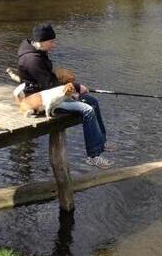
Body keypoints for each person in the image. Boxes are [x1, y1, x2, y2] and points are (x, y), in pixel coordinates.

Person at [17, 23, 113, 169]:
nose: (54, 45)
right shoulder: (32, 60)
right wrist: (76, 87)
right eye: (51, 42)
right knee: (87, 110)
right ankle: (93, 156)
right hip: (42, 102)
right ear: (41, 41)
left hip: (53, 94)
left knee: (92, 101)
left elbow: (51, 82)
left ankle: (101, 142)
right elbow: (50, 86)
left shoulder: (38, 51)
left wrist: (72, 91)